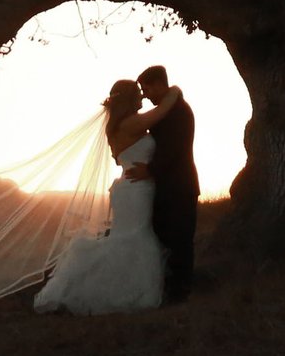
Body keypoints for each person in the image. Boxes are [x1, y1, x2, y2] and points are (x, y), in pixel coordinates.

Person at [31, 78, 183, 316]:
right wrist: (174, 90)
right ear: (129, 99)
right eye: (138, 94)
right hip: (135, 190)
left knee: (129, 238)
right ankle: (125, 293)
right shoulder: (130, 123)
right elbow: (162, 111)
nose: (142, 98)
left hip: (130, 187)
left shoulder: (117, 126)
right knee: (134, 239)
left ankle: (120, 288)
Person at [136, 64, 198, 302]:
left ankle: (181, 291)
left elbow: (173, 149)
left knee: (181, 238)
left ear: (160, 84)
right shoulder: (167, 109)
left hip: (180, 186)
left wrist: (149, 170)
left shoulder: (178, 112)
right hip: (167, 186)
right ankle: (171, 285)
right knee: (166, 235)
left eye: (147, 88)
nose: (145, 94)